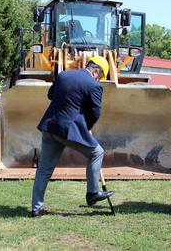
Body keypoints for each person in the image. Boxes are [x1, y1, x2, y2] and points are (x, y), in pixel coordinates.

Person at [31, 56, 114, 217]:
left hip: (49, 127)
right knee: (97, 152)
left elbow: (51, 95)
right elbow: (96, 112)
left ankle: (36, 208)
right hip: (68, 130)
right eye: (101, 76)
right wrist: (86, 127)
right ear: (95, 71)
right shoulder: (94, 85)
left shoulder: (63, 75)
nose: (100, 80)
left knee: (44, 169)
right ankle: (92, 193)